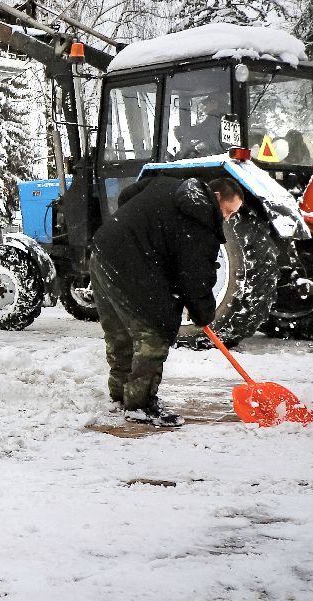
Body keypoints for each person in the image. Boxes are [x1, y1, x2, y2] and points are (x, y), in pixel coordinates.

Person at [89, 175, 244, 426]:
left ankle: (120, 394)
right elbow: (194, 275)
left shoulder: (167, 183)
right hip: (131, 264)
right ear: (216, 198)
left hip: (103, 251)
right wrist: (202, 312)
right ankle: (140, 406)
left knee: (120, 331)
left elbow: (127, 196)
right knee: (155, 331)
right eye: (228, 212)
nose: (226, 219)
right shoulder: (202, 219)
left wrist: (142, 231)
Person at [173, 93, 227, 158]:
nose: (205, 107)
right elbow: (206, 134)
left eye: (206, 104)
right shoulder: (227, 116)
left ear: (214, 103)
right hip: (222, 152)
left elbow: (198, 132)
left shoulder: (215, 117)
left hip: (217, 154)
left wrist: (180, 130)